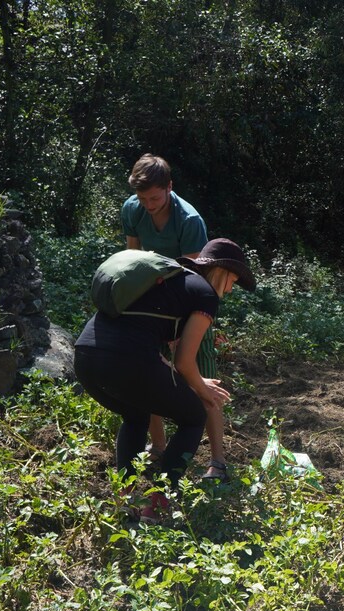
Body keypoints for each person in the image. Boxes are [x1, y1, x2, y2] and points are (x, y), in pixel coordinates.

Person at [74, 239, 255, 523]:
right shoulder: (205, 294)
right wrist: (200, 386)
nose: (230, 289)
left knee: (135, 415)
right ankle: (157, 505)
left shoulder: (170, 282)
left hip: (85, 357)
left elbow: (162, 355)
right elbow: (184, 362)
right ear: (221, 271)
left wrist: (194, 379)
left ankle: (124, 500)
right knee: (194, 415)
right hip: (125, 360)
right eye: (233, 280)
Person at [120, 154, 227, 481]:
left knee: (203, 384)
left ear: (169, 187)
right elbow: (133, 260)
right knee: (153, 379)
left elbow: (193, 278)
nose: (149, 205)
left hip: (189, 303)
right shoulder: (132, 210)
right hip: (152, 304)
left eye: (154, 198)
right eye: (143, 199)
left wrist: (183, 331)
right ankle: (159, 447)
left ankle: (218, 462)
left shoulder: (189, 220)